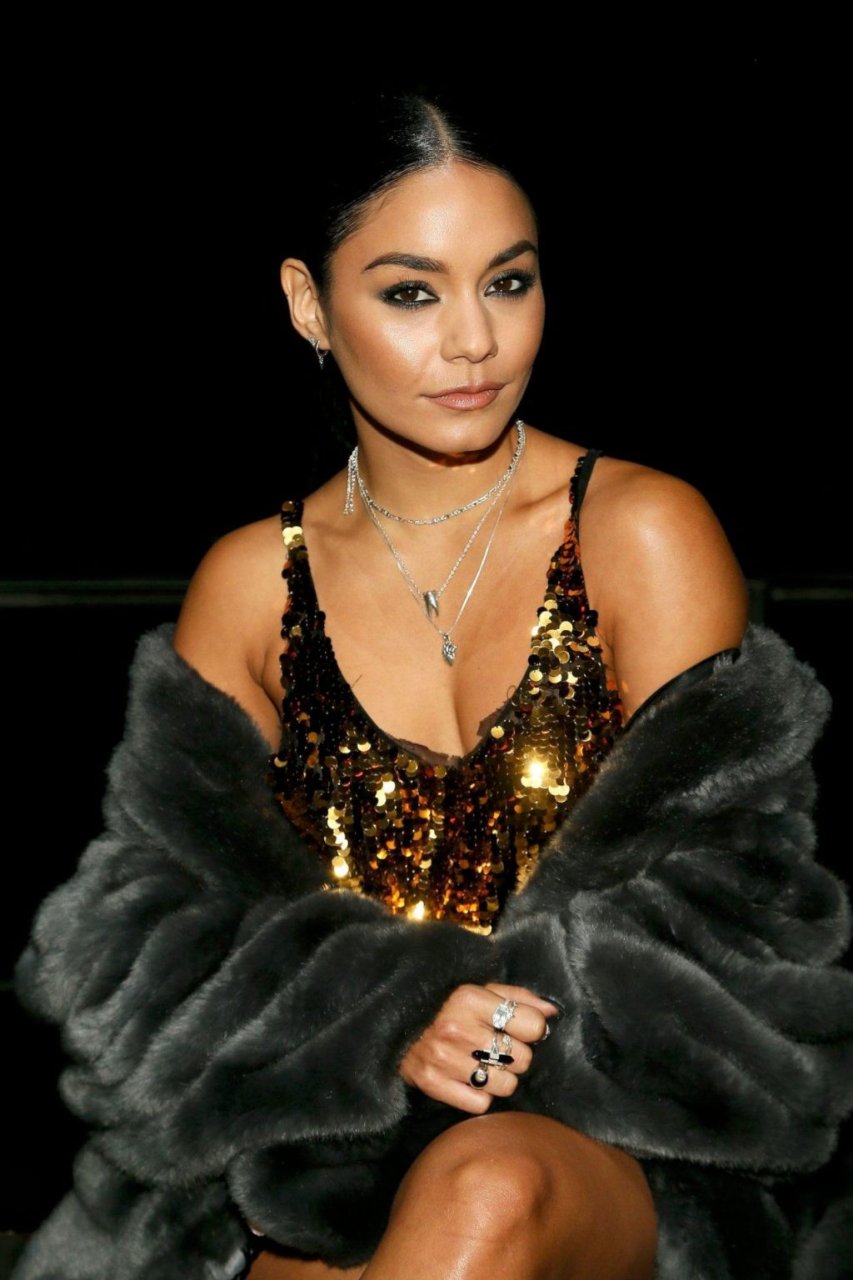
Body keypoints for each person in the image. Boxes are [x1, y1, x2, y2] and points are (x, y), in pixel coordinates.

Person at [12, 90, 853, 1280]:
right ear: (309, 304)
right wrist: (387, 1018)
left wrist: (478, 1023)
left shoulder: (641, 533)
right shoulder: (249, 586)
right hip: (312, 1144)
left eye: (507, 282)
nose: (474, 340)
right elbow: (146, 938)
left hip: (618, 1145)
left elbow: (730, 916)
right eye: (411, 292)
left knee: (482, 1187)